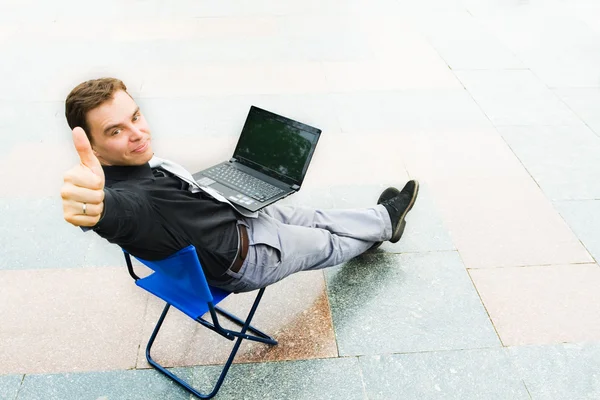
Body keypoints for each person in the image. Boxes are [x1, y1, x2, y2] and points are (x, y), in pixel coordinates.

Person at [61, 77, 419, 293]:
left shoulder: (133, 165)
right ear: (91, 145)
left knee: (309, 215)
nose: (137, 133)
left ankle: (382, 218)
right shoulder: (123, 200)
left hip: (226, 215)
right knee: (325, 241)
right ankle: (381, 230)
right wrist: (94, 210)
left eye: (135, 116)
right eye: (115, 131)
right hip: (247, 255)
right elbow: (115, 212)